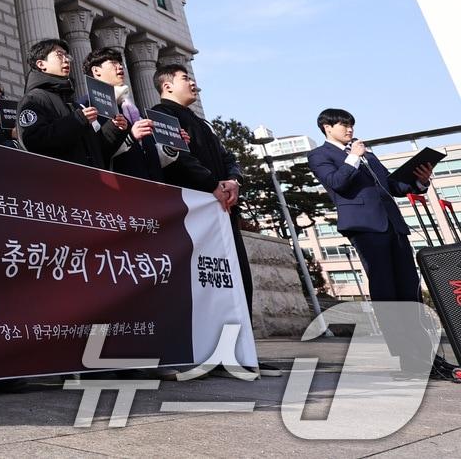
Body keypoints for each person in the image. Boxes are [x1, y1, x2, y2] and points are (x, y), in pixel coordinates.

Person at [151, 62, 282, 378]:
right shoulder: (161, 115)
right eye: (186, 79)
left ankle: (241, 350)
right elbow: (179, 159)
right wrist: (213, 184)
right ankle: (203, 352)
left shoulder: (203, 123)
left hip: (223, 210)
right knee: (203, 282)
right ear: (167, 86)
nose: (194, 84)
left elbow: (229, 158)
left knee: (237, 280)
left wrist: (233, 179)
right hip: (195, 213)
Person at [307, 109, 451, 378]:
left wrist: (419, 179)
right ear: (327, 127)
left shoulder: (367, 154)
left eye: (351, 125)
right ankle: (408, 358)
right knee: (386, 292)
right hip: (365, 227)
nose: (349, 129)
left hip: (393, 225)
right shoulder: (320, 155)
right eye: (343, 125)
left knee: (409, 287)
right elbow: (336, 183)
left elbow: (392, 186)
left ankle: (426, 356)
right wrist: (353, 157)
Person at [83, 48, 214, 189]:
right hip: (118, 191)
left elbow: (150, 157)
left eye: (120, 63)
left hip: (149, 192)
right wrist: (131, 136)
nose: (120, 67)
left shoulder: (131, 110)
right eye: (113, 63)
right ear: (96, 71)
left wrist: (171, 147)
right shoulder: (88, 105)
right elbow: (94, 152)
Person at [16, 38, 122, 168]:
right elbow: (33, 140)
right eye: (59, 55)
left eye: (67, 56)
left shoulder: (72, 104)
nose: (66, 60)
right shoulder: (34, 98)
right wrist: (77, 120)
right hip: (61, 182)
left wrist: (115, 128)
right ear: (41, 64)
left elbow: (96, 152)